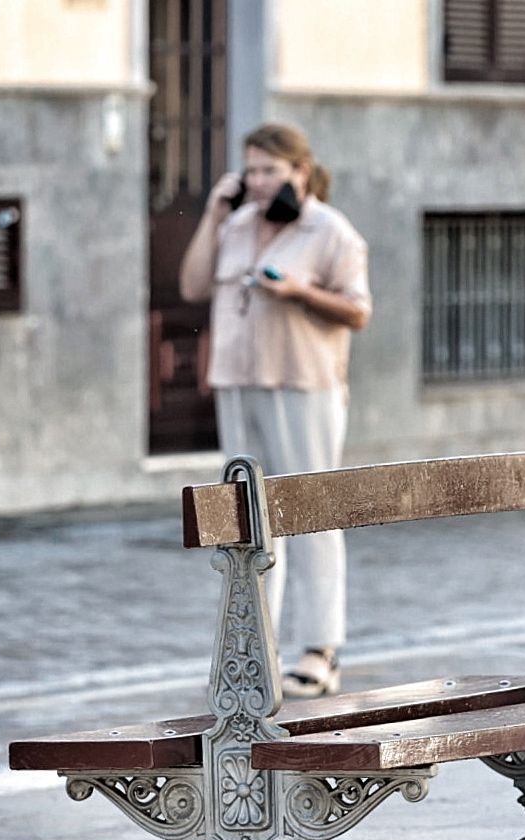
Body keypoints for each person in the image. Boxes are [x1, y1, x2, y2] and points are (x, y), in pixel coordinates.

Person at [179, 123, 371, 698]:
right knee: (249, 517)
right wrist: (215, 213)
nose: (259, 181)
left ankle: (320, 648)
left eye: (270, 170)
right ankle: (261, 645)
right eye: (251, 170)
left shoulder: (330, 231)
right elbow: (191, 287)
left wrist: (298, 293)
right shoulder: (236, 224)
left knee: (311, 514)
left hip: (302, 385)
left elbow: (359, 312)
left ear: (299, 173)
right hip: (239, 382)